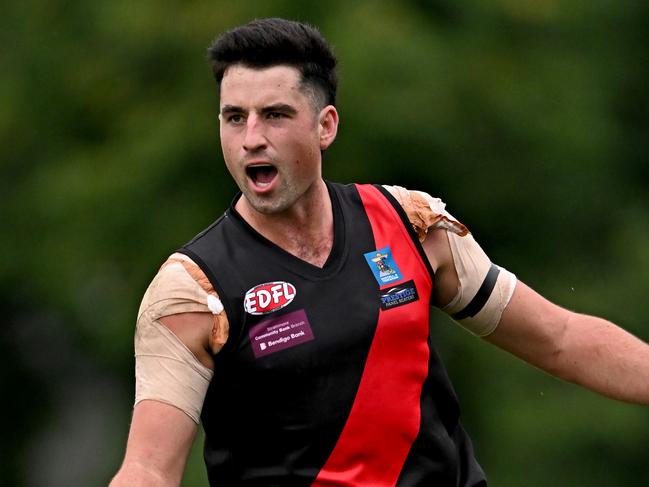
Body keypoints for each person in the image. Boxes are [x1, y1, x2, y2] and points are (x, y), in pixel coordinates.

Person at [110, 18, 649, 487]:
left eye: (274, 115)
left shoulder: (411, 223)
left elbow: (559, 339)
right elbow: (149, 470)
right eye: (234, 117)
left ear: (326, 126)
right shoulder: (191, 290)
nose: (251, 137)